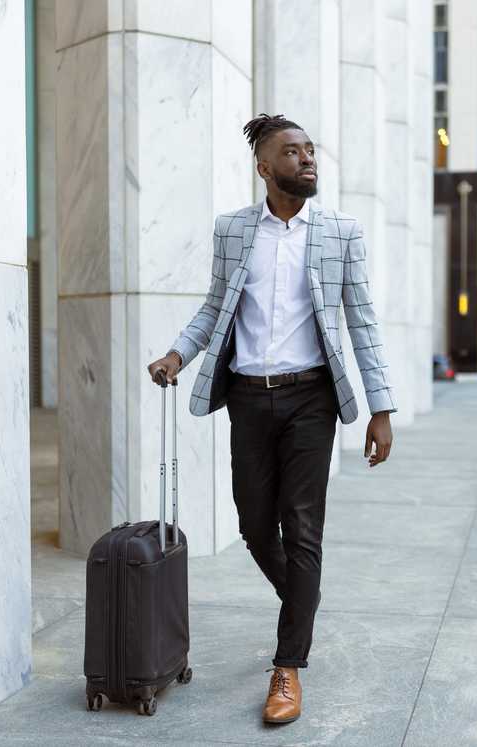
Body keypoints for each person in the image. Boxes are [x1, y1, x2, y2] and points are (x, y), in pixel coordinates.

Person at [146, 114, 395, 725]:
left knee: (302, 529)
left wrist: (381, 408)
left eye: (311, 150)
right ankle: (301, 602)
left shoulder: (340, 232)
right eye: (293, 152)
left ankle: (288, 667)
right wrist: (180, 352)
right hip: (250, 399)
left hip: (311, 398)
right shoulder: (233, 230)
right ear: (264, 166)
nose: (307, 159)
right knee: (256, 526)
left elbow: (361, 320)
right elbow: (215, 306)